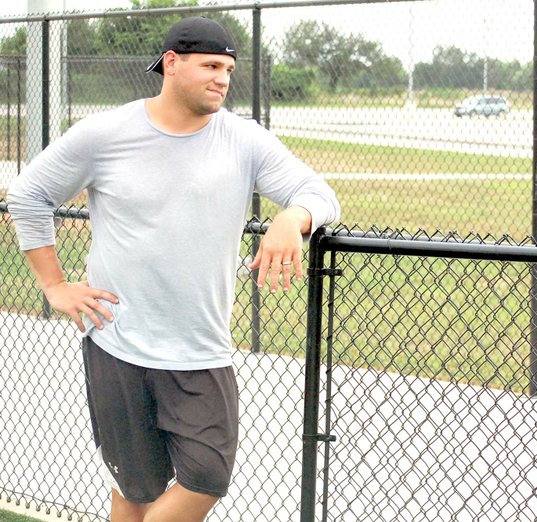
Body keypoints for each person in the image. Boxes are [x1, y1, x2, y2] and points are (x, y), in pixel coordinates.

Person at [7, 16, 340, 522]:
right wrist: (54, 286)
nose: (223, 79)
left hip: (201, 350)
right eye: (210, 65)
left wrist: (292, 219)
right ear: (171, 64)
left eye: (228, 68)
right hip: (118, 342)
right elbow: (29, 195)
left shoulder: (244, 140)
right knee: (134, 489)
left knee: (207, 477)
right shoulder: (104, 134)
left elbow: (320, 194)